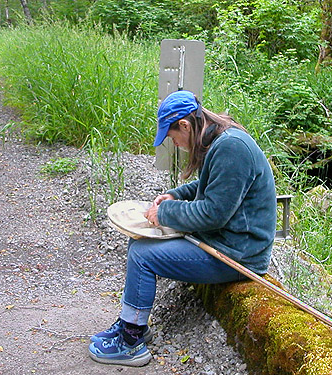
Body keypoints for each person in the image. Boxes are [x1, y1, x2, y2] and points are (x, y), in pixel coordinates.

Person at [88, 90, 277, 367]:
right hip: (226, 241)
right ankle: (134, 324)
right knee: (138, 242)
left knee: (143, 255)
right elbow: (210, 188)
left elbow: (213, 214)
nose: (174, 143)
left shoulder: (231, 148)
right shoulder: (219, 139)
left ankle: (130, 344)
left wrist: (164, 213)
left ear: (185, 126)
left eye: (172, 136)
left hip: (238, 255)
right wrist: (176, 195)